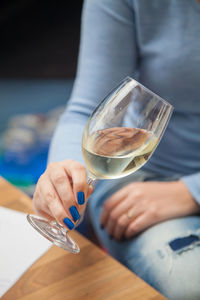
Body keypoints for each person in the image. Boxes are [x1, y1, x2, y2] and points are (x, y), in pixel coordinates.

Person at [33, 1, 200, 299]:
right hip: (142, 182)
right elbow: (87, 106)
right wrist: (65, 171)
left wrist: (192, 191)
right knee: (189, 284)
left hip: (184, 192)